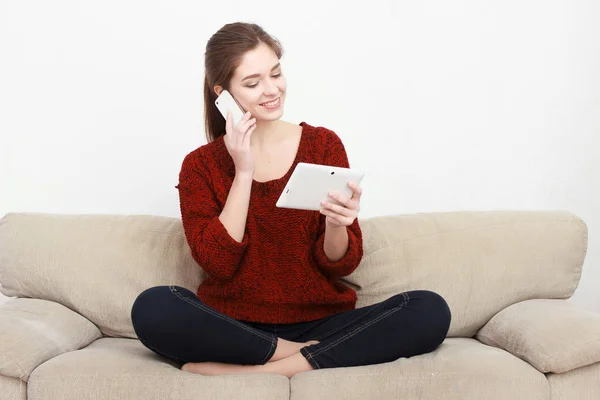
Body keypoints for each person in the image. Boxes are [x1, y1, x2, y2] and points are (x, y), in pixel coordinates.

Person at [130, 22, 451, 378]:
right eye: (253, 84)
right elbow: (218, 264)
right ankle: (300, 357)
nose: (272, 91)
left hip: (322, 321)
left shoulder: (323, 145)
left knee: (428, 309)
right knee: (153, 308)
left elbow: (342, 265)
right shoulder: (200, 165)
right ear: (223, 94)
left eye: (276, 74)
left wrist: (336, 225)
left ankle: (263, 371)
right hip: (234, 327)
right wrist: (243, 171)